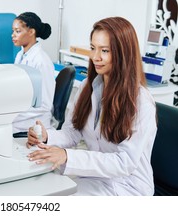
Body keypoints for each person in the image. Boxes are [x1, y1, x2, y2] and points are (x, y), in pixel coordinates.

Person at [27, 17, 157, 196]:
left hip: (127, 187)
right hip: (95, 178)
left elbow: (124, 162)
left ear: (122, 53)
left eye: (105, 50)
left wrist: (67, 156)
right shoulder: (89, 86)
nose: (95, 57)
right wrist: (47, 136)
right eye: (93, 48)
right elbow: (74, 131)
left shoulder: (141, 102)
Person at [11, 12, 56, 135]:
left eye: (18, 31)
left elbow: (44, 105)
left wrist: (12, 114)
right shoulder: (21, 55)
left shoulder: (41, 62)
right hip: (22, 112)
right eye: (13, 31)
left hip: (33, 121)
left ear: (31, 32)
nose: (13, 35)